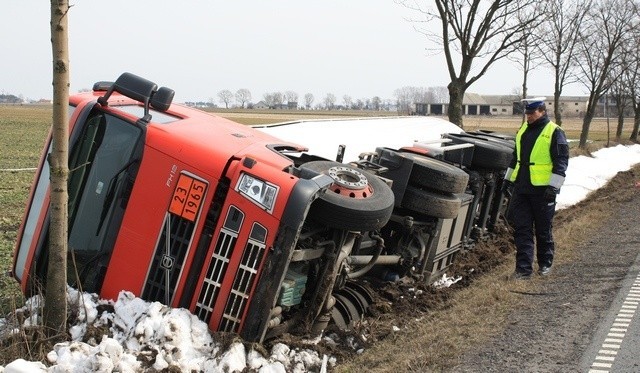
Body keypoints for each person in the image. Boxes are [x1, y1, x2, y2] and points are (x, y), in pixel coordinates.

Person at [502, 98, 569, 280]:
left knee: (543, 229)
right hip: (522, 189)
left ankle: (545, 264)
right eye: (527, 114)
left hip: (543, 191)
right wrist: (507, 180)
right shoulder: (523, 130)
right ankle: (523, 270)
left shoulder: (555, 132)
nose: (529, 117)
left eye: (532, 113)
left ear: (542, 111)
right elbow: (515, 158)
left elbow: (561, 163)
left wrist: (553, 188)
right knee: (522, 230)